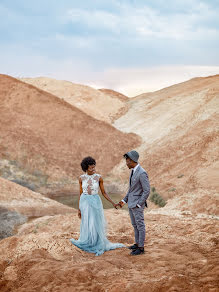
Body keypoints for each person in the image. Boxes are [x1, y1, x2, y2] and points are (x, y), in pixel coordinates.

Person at [70, 156, 125, 256]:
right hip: (84, 201)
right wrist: (79, 209)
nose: (93, 169)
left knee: (95, 222)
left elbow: (104, 192)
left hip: (96, 201)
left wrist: (112, 203)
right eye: (91, 168)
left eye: (94, 167)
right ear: (86, 168)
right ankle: (88, 241)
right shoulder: (81, 178)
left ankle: (96, 242)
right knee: (87, 222)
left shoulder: (98, 177)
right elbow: (80, 192)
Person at [118, 150, 150, 256]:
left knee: (140, 226)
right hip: (131, 204)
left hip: (137, 205)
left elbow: (147, 191)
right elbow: (131, 190)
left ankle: (141, 248)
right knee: (135, 225)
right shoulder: (133, 171)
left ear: (132, 160)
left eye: (127, 161)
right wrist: (124, 201)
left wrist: (139, 204)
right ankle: (137, 244)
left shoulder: (142, 173)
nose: (126, 163)